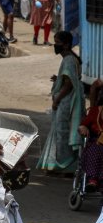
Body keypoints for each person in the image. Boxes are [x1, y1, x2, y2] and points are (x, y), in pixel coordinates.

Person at [37, 31, 85, 171]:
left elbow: (68, 84)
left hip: (67, 102)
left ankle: (65, 167)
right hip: (70, 101)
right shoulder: (70, 58)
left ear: (66, 44)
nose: (55, 45)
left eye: (58, 42)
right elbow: (66, 79)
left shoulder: (69, 59)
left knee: (63, 132)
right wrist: (57, 80)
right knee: (64, 131)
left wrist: (56, 100)